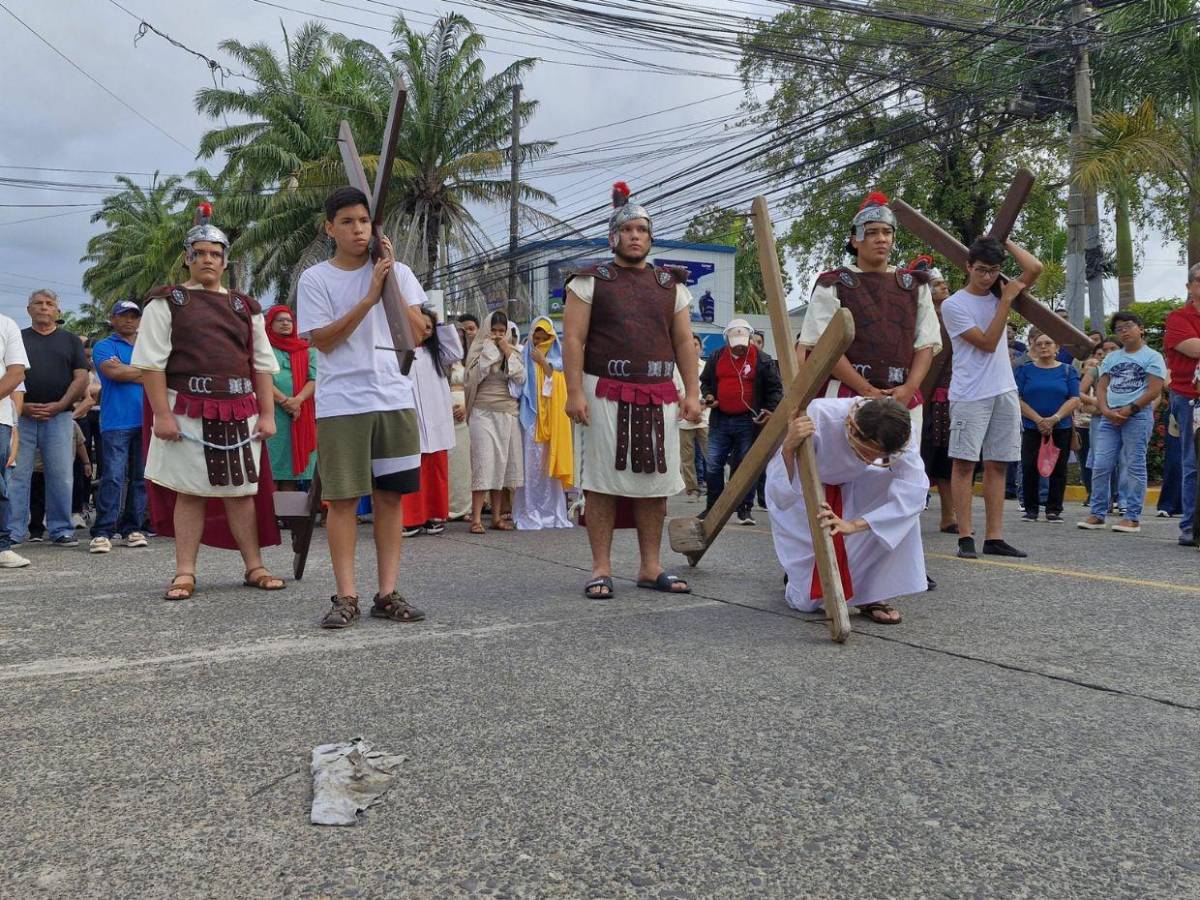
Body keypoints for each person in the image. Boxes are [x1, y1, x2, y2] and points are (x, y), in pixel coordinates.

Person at [297, 186, 429, 629]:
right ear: (329, 227)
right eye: (348, 221)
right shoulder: (316, 279)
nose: (358, 229)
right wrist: (369, 298)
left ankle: (387, 591)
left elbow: (419, 334)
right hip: (342, 403)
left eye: (365, 221)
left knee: (391, 498)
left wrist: (388, 282)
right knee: (343, 500)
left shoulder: (399, 273)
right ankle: (346, 594)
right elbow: (323, 340)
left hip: (394, 397)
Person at [133, 216, 284, 600]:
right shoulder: (168, 302)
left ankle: (255, 566)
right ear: (187, 258)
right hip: (185, 408)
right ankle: (185, 573)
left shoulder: (243, 306)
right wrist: (162, 416)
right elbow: (151, 363)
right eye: (199, 253)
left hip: (239, 408)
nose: (207, 260)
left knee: (241, 492)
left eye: (215, 254)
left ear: (225, 260)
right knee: (189, 491)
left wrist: (267, 414)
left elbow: (263, 365)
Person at [562, 181, 702, 599]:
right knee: (602, 483)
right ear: (613, 237)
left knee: (655, 484)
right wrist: (574, 392)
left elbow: (683, 342)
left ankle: (650, 567)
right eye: (627, 230)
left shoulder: (670, 285)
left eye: (642, 229)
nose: (635, 235)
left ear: (650, 237)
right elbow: (573, 340)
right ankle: (601, 568)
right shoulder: (589, 281)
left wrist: (692, 392)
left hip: (659, 393)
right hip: (602, 390)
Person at [767, 397, 927, 625]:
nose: (871, 459)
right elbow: (779, 494)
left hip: (856, 485)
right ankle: (797, 579)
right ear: (853, 427)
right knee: (806, 602)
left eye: (877, 455)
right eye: (867, 452)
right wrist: (790, 446)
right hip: (804, 486)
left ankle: (870, 594)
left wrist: (854, 525)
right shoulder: (820, 415)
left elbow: (914, 489)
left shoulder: (901, 429)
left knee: (902, 498)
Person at [796, 191, 941, 437]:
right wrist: (866, 390)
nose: (881, 239)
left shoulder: (914, 285)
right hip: (845, 397)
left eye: (887, 232)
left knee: (900, 471)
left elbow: (925, 343)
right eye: (872, 232)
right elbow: (824, 347)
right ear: (855, 239)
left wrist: (908, 389)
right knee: (842, 470)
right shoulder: (833, 283)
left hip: (902, 399)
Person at [941, 236, 1042, 559]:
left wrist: (1006, 240)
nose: (987, 277)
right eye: (981, 270)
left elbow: (1034, 268)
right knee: (964, 464)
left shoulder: (1001, 289)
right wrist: (1005, 301)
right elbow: (986, 342)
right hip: (970, 393)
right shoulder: (954, 304)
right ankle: (966, 536)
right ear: (968, 267)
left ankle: (995, 537)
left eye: (994, 271)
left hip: (1004, 389)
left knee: (998, 464)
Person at [8, 290, 89, 547]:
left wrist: (61, 405)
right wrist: (23, 407)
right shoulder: (17, 339)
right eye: (38, 304)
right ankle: (14, 531)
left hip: (60, 417)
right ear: (28, 309)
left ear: (58, 311)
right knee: (17, 476)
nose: (44, 307)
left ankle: (61, 529)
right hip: (22, 417)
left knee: (62, 475)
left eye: (49, 304)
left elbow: (81, 378)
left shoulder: (71, 341)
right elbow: (9, 374)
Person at [1077, 311, 1166, 534]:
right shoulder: (1112, 358)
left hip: (1137, 416)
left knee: (1134, 464)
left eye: (1128, 326)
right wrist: (1105, 410)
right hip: (1108, 417)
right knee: (1101, 463)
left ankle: (1132, 517)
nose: (1123, 332)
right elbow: (1102, 386)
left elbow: (1155, 389)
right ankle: (1098, 513)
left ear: (1141, 328)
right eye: (1118, 329)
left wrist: (1129, 409)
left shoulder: (1152, 357)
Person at [700, 317, 782, 526]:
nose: (739, 350)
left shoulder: (762, 360)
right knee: (713, 465)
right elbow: (706, 383)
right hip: (721, 420)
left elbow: (775, 389)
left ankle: (744, 509)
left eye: (743, 346)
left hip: (748, 421)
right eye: (735, 347)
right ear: (727, 340)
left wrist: (770, 410)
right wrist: (709, 396)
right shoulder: (717, 357)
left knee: (746, 467)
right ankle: (712, 507)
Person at [88, 300, 149, 553]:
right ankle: (103, 531)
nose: (129, 320)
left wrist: (130, 369)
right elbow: (115, 374)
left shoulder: (149, 346)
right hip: (116, 422)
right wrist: (148, 371)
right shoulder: (104, 345)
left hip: (147, 421)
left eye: (134, 316)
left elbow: (163, 373)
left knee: (140, 478)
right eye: (123, 316)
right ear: (112, 319)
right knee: (112, 476)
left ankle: (132, 528)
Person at [403, 307, 462, 537]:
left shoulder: (437, 353)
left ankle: (434, 515)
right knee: (412, 470)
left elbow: (456, 350)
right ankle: (410, 518)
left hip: (435, 419)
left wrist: (438, 324)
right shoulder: (400, 350)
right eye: (419, 324)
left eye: (428, 326)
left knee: (435, 470)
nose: (424, 330)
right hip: (412, 419)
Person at [465, 311, 526, 533]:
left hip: (507, 411)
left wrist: (508, 351)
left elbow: (520, 377)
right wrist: (492, 349)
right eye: (494, 331)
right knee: (483, 461)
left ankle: (498, 517)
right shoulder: (478, 349)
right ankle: (477, 518)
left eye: (502, 331)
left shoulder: (514, 351)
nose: (498, 335)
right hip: (482, 411)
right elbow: (476, 375)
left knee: (502, 464)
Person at [513, 316, 574, 529]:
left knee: (550, 463)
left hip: (554, 420)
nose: (539, 342)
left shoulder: (559, 359)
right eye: (536, 338)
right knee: (531, 466)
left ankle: (552, 511)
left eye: (543, 337)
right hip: (531, 418)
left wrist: (543, 362)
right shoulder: (524, 355)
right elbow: (518, 385)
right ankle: (529, 510)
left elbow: (558, 380)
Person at [910, 256, 957, 533]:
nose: (944, 288)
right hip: (923, 397)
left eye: (944, 284)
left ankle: (949, 515)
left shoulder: (958, 317)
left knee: (948, 460)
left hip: (952, 397)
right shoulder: (916, 318)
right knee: (918, 457)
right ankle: (909, 513)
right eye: (937, 285)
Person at [1014, 331, 1080, 523]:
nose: (1043, 347)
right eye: (1039, 343)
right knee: (1028, 467)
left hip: (1061, 427)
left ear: (1057, 347)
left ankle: (1054, 509)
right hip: (1031, 426)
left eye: (1048, 343)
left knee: (1059, 469)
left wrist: (1054, 418)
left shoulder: (1068, 370)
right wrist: (1038, 420)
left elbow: (1075, 399)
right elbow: (1017, 399)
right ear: (1033, 346)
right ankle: (1031, 509)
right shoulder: (1024, 370)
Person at [1163, 262, 1200, 545]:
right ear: (1189, 286)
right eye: (1198, 280)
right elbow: (1194, 348)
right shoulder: (1178, 318)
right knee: (1193, 463)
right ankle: (1190, 526)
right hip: (1190, 397)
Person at [263, 305, 317, 492]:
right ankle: (270, 519)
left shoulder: (307, 350)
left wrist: (298, 400)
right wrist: (286, 401)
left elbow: (314, 379)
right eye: (280, 320)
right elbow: (260, 377)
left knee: (291, 472)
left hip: (299, 415)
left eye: (289, 320)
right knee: (270, 470)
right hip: (272, 414)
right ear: (270, 323)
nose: (286, 323)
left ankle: (288, 519)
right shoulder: (263, 349)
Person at [0, 308, 29, 568]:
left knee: (0, 487)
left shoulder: (6, 324)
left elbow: (16, 373)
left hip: (0, 419)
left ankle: (2, 547)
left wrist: (16, 429)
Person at [678, 333, 709, 501]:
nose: (693, 347)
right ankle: (692, 491)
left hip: (704, 419)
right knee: (687, 459)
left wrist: (699, 410)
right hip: (684, 420)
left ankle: (715, 488)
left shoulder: (706, 367)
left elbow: (710, 391)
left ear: (701, 348)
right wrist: (689, 411)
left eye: (696, 344)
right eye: (690, 344)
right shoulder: (677, 368)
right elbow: (676, 391)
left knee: (710, 455)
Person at [447, 325, 472, 520]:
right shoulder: (440, 359)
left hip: (464, 414)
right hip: (443, 414)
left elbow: (475, 386)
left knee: (463, 462)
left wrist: (466, 406)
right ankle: (443, 506)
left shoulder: (469, 361)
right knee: (446, 461)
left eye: (460, 337)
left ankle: (464, 507)